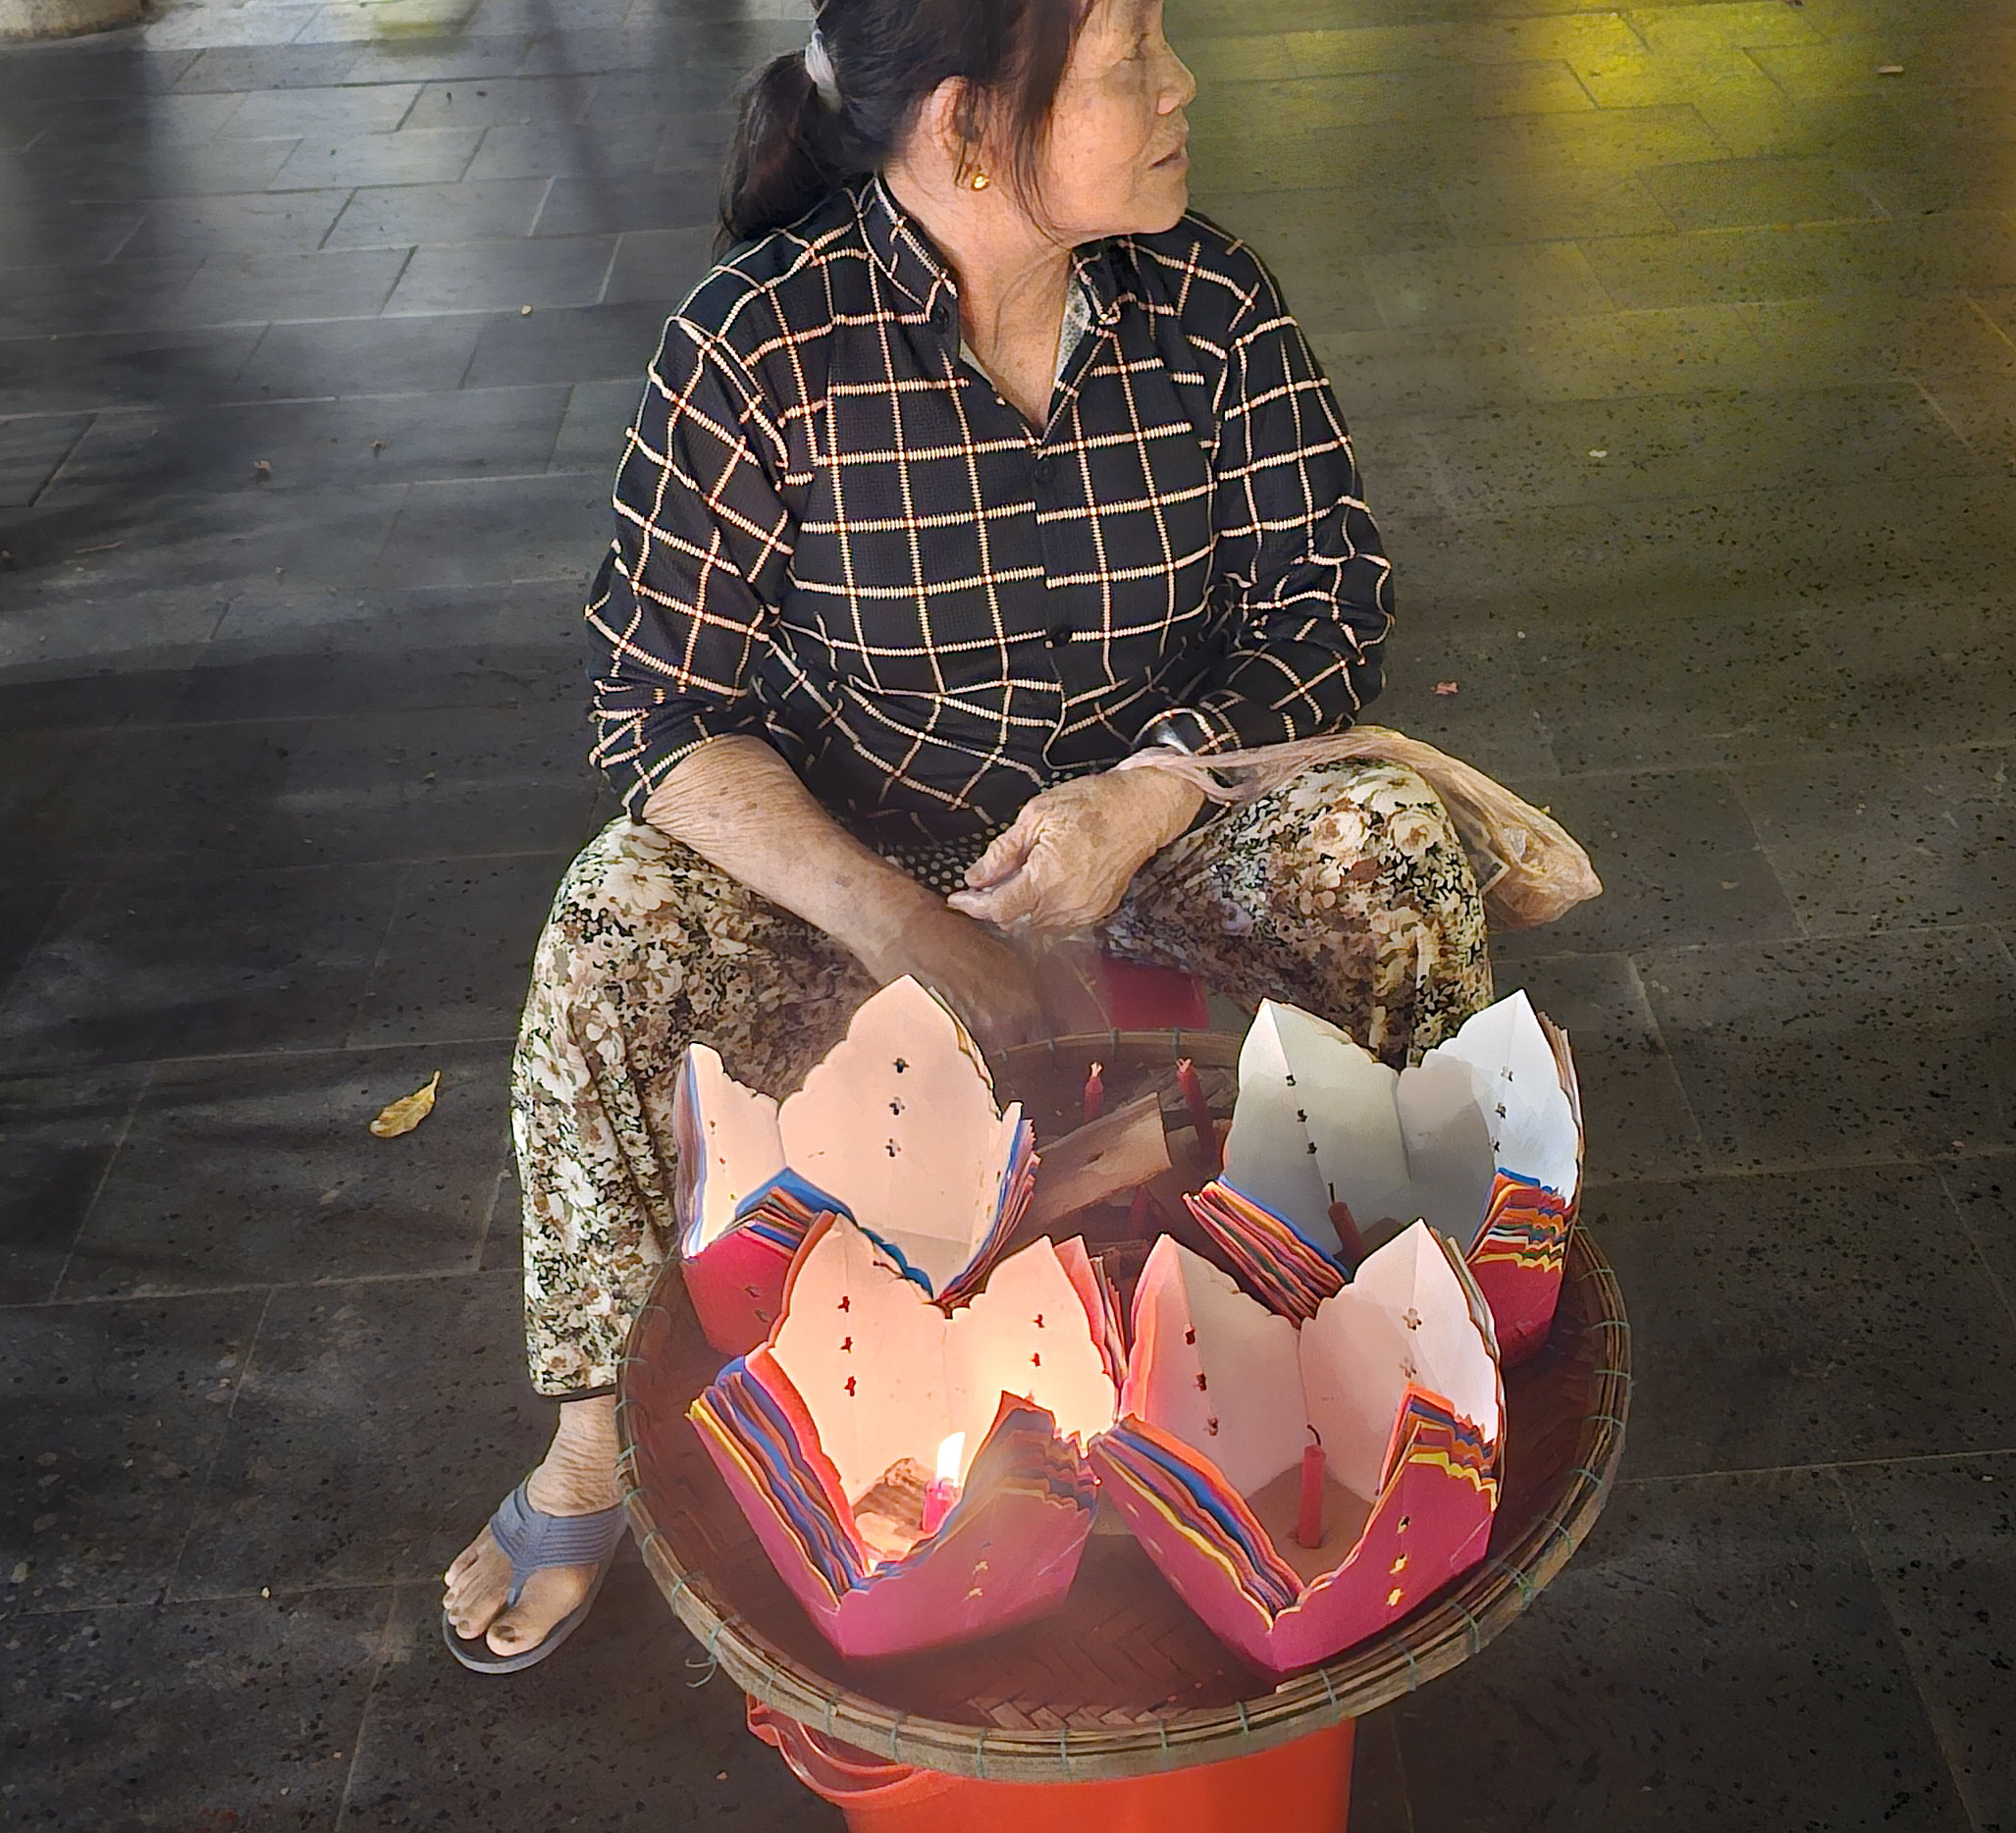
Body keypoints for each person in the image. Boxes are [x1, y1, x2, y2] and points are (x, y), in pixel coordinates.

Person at [440, 0, 1497, 1672]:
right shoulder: (759, 344)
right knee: (609, 930)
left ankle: (1403, 1339)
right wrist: (902, 923)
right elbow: (651, 708)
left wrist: (1154, 789)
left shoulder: (1210, 303)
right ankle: (591, 1441)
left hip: (1151, 835)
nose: (1181, 86)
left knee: (1390, 849)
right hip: (866, 852)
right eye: (1131, 58)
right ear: (967, 129)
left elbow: (1326, 600)